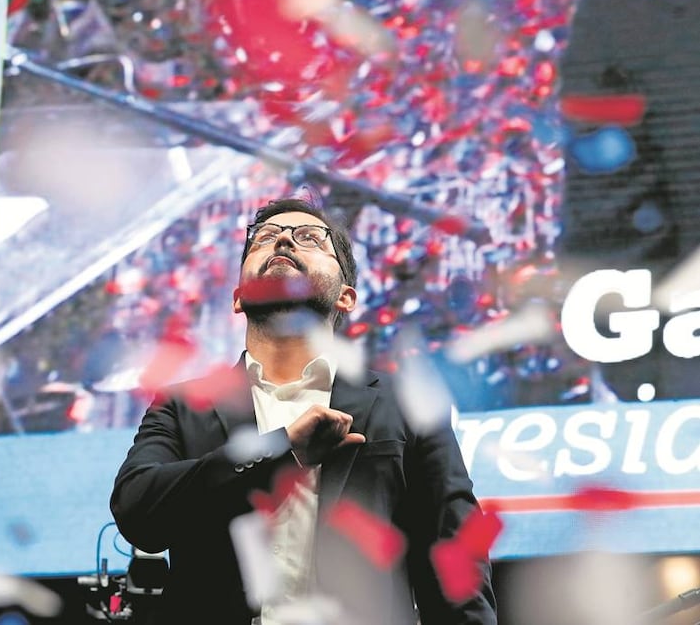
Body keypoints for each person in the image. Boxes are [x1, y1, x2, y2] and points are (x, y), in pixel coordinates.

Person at [110, 197, 497, 624]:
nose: (283, 243)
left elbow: (455, 557)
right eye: (265, 238)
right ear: (238, 297)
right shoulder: (183, 404)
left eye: (310, 238)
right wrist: (282, 448)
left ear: (346, 297)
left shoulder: (406, 402)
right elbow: (137, 512)